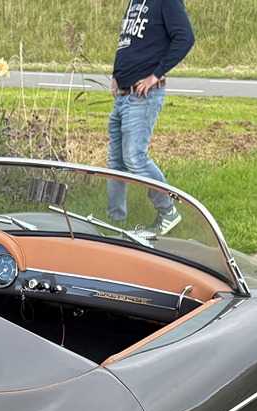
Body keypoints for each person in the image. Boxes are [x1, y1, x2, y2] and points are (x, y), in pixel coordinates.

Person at [106, 0, 195, 236]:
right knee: (116, 162)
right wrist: (116, 74)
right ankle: (114, 221)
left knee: (135, 157)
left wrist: (156, 75)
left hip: (143, 96)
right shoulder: (134, 2)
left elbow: (185, 38)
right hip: (123, 94)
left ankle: (168, 211)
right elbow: (128, 41)